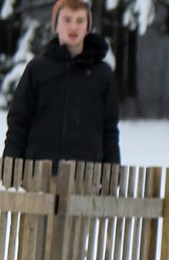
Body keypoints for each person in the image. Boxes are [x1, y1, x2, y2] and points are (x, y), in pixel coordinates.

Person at [3, 0, 119, 170]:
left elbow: (110, 130)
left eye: (80, 20)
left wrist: (111, 173)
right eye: (67, 20)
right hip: (38, 174)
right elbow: (19, 121)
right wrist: (11, 165)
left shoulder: (102, 75)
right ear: (56, 25)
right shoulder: (38, 69)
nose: (73, 27)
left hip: (85, 177)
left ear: (87, 27)